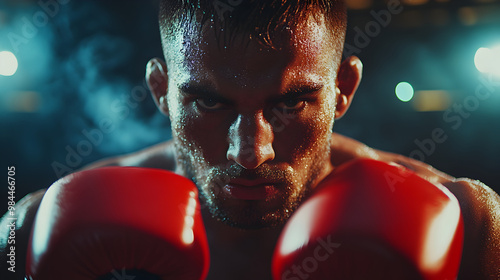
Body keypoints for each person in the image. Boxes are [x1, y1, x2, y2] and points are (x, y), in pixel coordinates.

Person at [1, 0, 499, 279]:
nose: (250, 152)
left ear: (343, 89)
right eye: (210, 103)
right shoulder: (31, 230)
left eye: (290, 104)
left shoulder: (468, 225)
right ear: (161, 92)